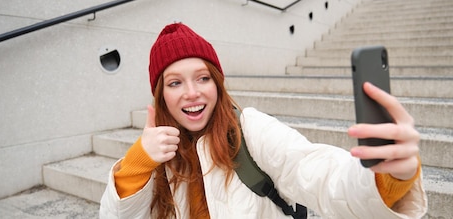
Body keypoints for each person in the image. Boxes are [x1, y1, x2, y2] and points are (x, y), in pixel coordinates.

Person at [99, 23, 427, 218]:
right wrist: (137, 163)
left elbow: (315, 171)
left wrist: (388, 176)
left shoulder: (250, 130)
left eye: (202, 78)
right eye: (175, 83)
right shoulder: (153, 154)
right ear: (160, 95)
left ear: (217, 83)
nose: (192, 93)